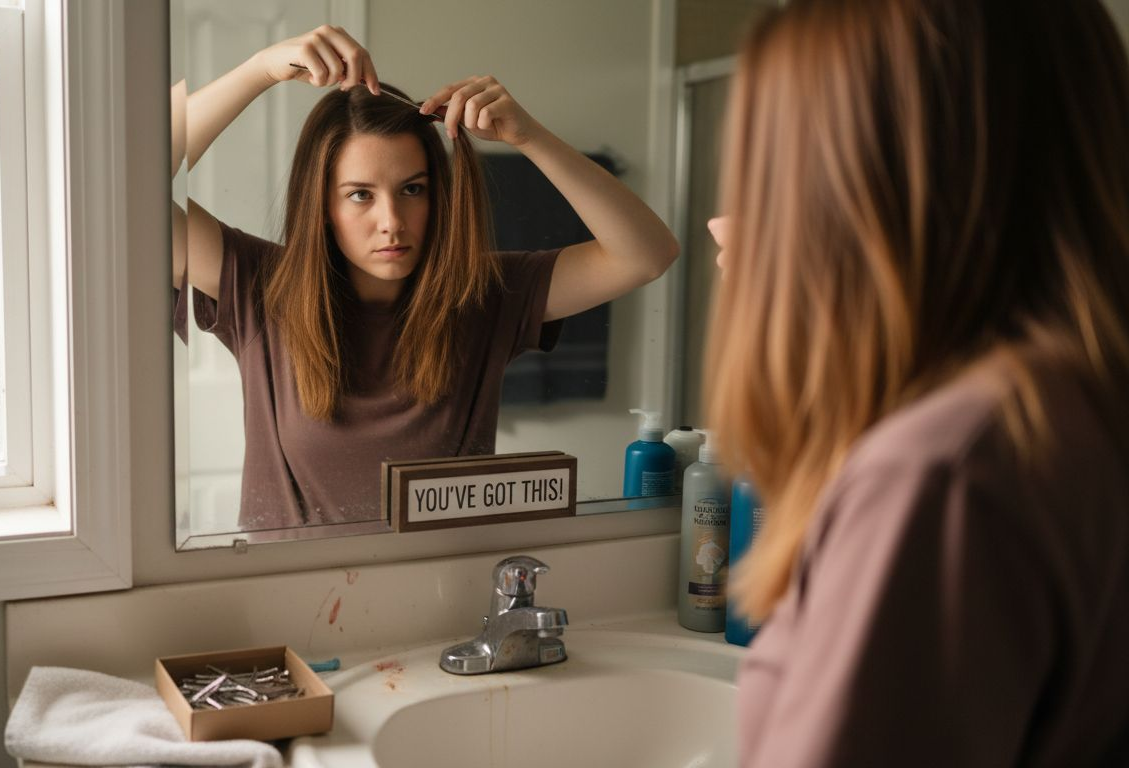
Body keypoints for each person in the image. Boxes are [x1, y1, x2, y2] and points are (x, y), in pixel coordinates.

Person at [704, 0, 1129, 765]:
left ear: (873, 190)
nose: (731, 222)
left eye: (776, 177)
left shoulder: (942, 472)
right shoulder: (1073, 403)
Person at [180, 27, 679, 529]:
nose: (392, 221)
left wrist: (530, 137)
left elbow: (647, 254)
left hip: (441, 578)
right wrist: (260, 70)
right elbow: (136, 185)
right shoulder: (261, 287)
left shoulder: (481, 296)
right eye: (360, 195)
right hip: (284, 583)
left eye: (412, 189)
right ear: (322, 206)